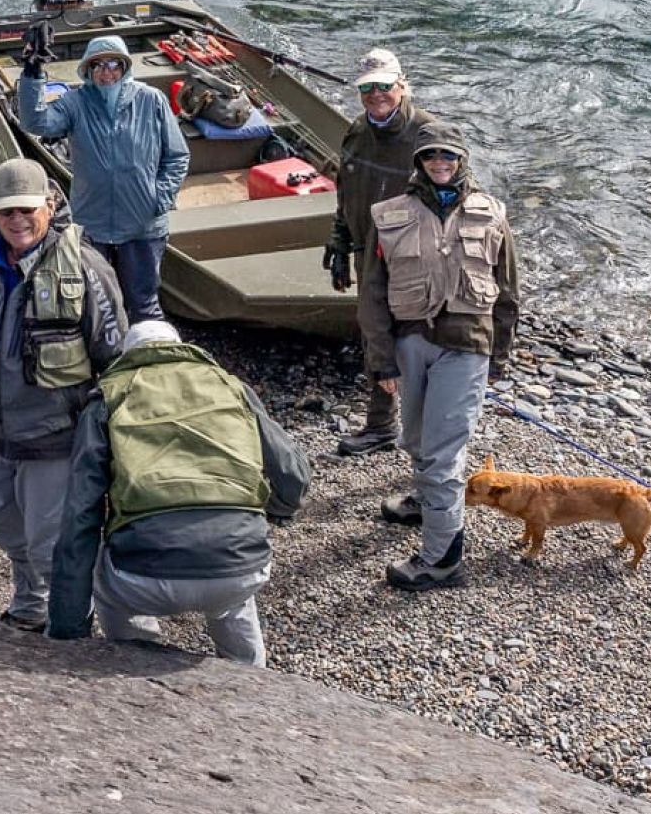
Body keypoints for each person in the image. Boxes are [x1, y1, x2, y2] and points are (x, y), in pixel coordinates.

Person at [0, 157, 128, 632]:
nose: (17, 220)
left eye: (26, 209)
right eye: (6, 212)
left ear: (50, 204)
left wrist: (114, 442)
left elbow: (116, 363)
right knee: (4, 527)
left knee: (51, 542)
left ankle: (69, 626)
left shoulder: (86, 270)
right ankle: (29, 607)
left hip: (57, 440)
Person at [47, 321, 310, 666]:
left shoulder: (108, 397)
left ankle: (135, 662)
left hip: (144, 577)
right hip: (240, 569)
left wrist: (67, 630)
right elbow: (293, 476)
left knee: (102, 575)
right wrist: (276, 510)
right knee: (232, 591)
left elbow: (81, 514)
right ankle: (252, 680)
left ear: (128, 356)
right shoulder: (231, 386)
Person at [371, 121, 519, 590]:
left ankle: (442, 558)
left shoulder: (492, 213)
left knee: (441, 458)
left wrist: (499, 356)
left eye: (448, 157)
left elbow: (509, 291)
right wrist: (381, 359)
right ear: (419, 162)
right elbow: (372, 295)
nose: (440, 164)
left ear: (462, 161)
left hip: (467, 347)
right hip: (411, 342)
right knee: (414, 439)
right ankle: (426, 502)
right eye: (431, 156)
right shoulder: (390, 213)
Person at [14, 29, 189, 322]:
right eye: (97, 65)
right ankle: (101, 359)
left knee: (144, 304)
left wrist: (160, 199)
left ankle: (150, 354)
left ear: (124, 67)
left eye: (113, 65)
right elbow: (36, 121)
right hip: (91, 226)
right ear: (88, 70)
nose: (106, 73)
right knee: (94, 302)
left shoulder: (152, 100)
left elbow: (177, 156)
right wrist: (32, 73)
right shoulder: (76, 103)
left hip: (142, 227)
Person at [324, 47, 436, 457]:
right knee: (376, 335)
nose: (376, 94)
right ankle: (380, 425)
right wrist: (339, 240)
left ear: (402, 86)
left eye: (384, 86)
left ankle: (426, 433)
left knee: (418, 342)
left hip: (413, 259)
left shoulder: (429, 135)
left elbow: (457, 195)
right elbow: (345, 192)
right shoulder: (357, 131)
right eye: (367, 88)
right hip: (367, 253)